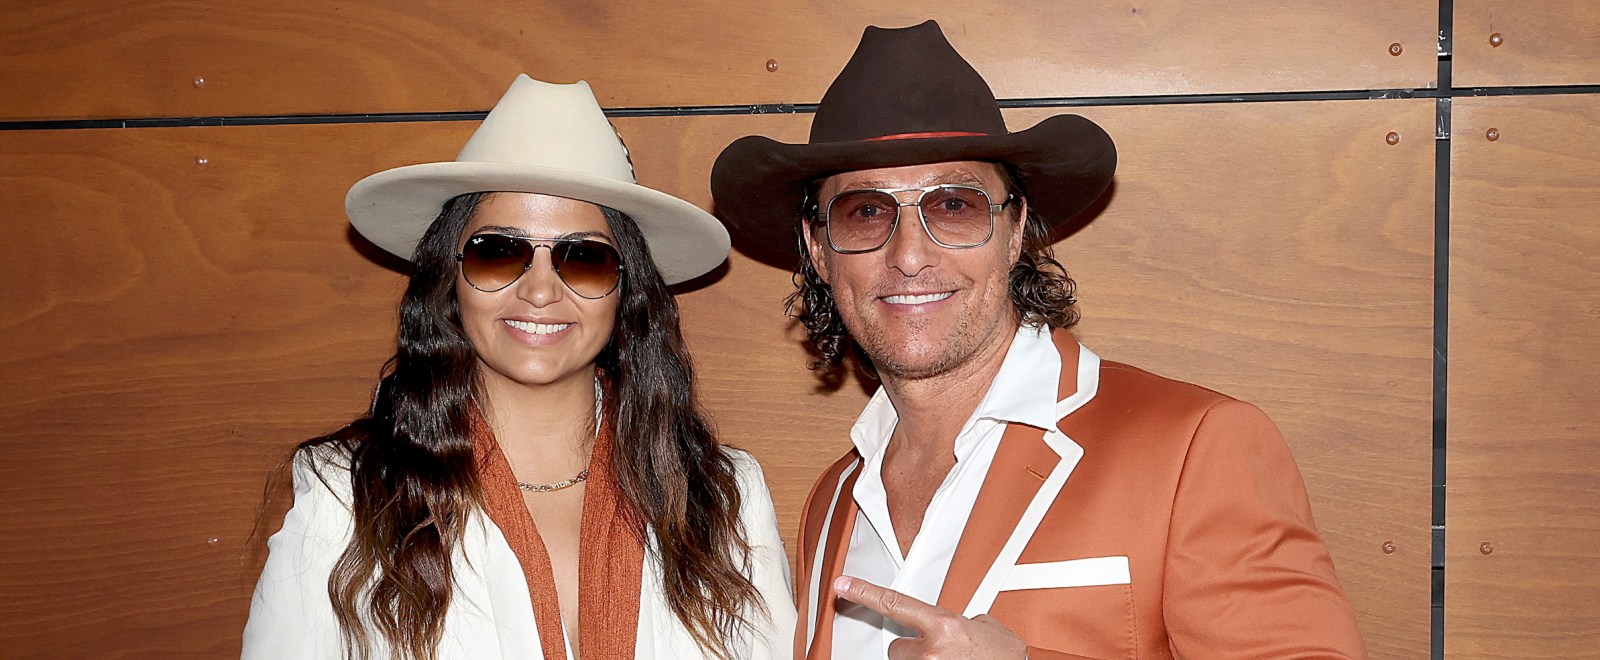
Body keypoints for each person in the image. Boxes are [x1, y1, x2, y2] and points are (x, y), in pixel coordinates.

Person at [710, 21, 1367, 659]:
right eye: (866, 212)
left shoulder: (1194, 448)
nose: (909, 255)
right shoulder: (833, 503)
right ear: (819, 250)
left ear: (1016, 228)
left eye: (954, 206)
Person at [243, 75, 795, 659]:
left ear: (625, 290)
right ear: (449, 278)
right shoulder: (347, 495)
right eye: (498, 252)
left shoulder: (724, 498)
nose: (539, 290)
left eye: (584, 259)